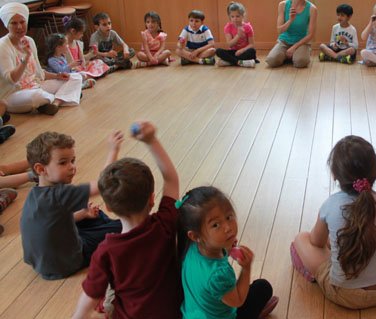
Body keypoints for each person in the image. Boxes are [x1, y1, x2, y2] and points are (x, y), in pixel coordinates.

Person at [72, 121, 182, 319]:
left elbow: (89, 296)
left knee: (108, 298)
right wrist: (151, 141)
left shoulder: (106, 251)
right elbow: (171, 179)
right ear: (151, 198)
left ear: (109, 207)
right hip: (173, 313)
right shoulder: (165, 224)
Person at [290, 136, 376, 309]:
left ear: (334, 175)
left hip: (345, 294)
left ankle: (318, 273)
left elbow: (316, 241)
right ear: (374, 173)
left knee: (301, 238)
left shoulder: (331, 204)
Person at [20, 131, 122, 280]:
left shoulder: (34, 193)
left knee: (92, 214)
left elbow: (54, 222)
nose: (71, 167)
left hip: (40, 262)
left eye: (72, 160)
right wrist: (113, 150)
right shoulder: (61, 194)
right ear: (41, 169)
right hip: (67, 263)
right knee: (122, 226)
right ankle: (107, 227)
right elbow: (104, 183)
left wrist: (84, 214)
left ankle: (100, 223)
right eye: (63, 162)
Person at [179, 186, 278, 319]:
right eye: (215, 225)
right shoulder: (219, 274)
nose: (227, 228)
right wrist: (246, 269)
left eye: (228, 217)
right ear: (195, 236)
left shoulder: (192, 247)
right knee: (263, 287)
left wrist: (226, 248)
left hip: (193, 314)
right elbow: (238, 300)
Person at [0, 2, 82, 115]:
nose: (19, 27)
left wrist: (57, 76)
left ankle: (55, 102)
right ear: (6, 25)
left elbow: (39, 73)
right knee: (37, 96)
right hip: (14, 94)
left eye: (22, 22)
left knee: (75, 77)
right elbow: (12, 79)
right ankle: (64, 96)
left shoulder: (29, 40)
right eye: (14, 23)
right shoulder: (2, 46)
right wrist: (27, 57)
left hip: (36, 86)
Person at [266, 0, 317, 68]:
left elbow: (311, 34)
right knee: (271, 61)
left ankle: (298, 53)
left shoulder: (312, 9)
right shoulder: (283, 5)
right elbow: (279, 30)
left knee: (300, 62)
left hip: (301, 42)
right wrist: (290, 20)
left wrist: (294, 47)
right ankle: (288, 55)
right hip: (284, 41)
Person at [215, 2, 258, 68]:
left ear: (243, 15)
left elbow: (252, 44)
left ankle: (229, 62)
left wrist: (242, 50)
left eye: (237, 16)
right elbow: (230, 44)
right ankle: (240, 62)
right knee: (218, 51)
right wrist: (238, 35)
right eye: (232, 16)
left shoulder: (248, 27)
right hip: (233, 52)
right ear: (230, 16)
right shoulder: (228, 27)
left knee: (252, 51)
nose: (235, 19)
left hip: (244, 51)